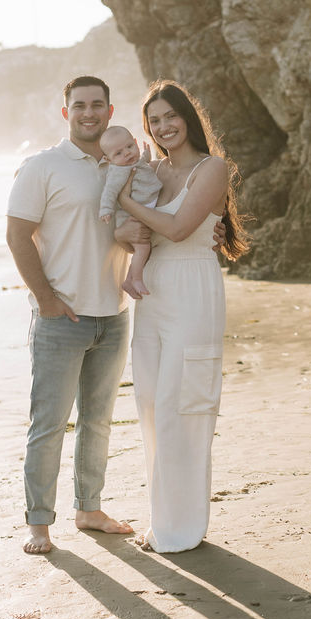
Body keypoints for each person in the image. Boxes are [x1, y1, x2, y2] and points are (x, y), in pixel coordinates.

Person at [115, 79, 251, 553]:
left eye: (170, 116)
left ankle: (182, 529)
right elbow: (129, 234)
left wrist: (124, 200)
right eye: (154, 121)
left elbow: (175, 227)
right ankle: (163, 522)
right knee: (151, 408)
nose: (163, 126)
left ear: (188, 118)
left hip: (193, 291)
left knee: (184, 408)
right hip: (151, 296)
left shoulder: (212, 168)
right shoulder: (150, 170)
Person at [5, 76, 138, 554]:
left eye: (97, 105)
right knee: (49, 424)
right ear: (66, 113)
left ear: (109, 110)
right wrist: (45, 299)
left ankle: (89, 509)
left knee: (98, 422)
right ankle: (38, 522)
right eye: (79, 105)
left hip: (115, 314)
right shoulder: (43, 166)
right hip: (62, 318)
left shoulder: (123, 164)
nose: (89, 113)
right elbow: (18, 235)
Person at [98, 125, 162, 299]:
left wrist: (146, 157)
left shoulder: (134, 162)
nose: (126, 153)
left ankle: (128, 280)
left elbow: (142, 165)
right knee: (143, 246)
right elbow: (109, 191)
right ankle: (137, 279)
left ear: (135, 142)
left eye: (129, 147)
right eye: (118, 153)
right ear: (108, 159)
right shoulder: (118, 172)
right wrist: (106, 209)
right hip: (132, 217)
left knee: (145, 247)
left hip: (144, 209)